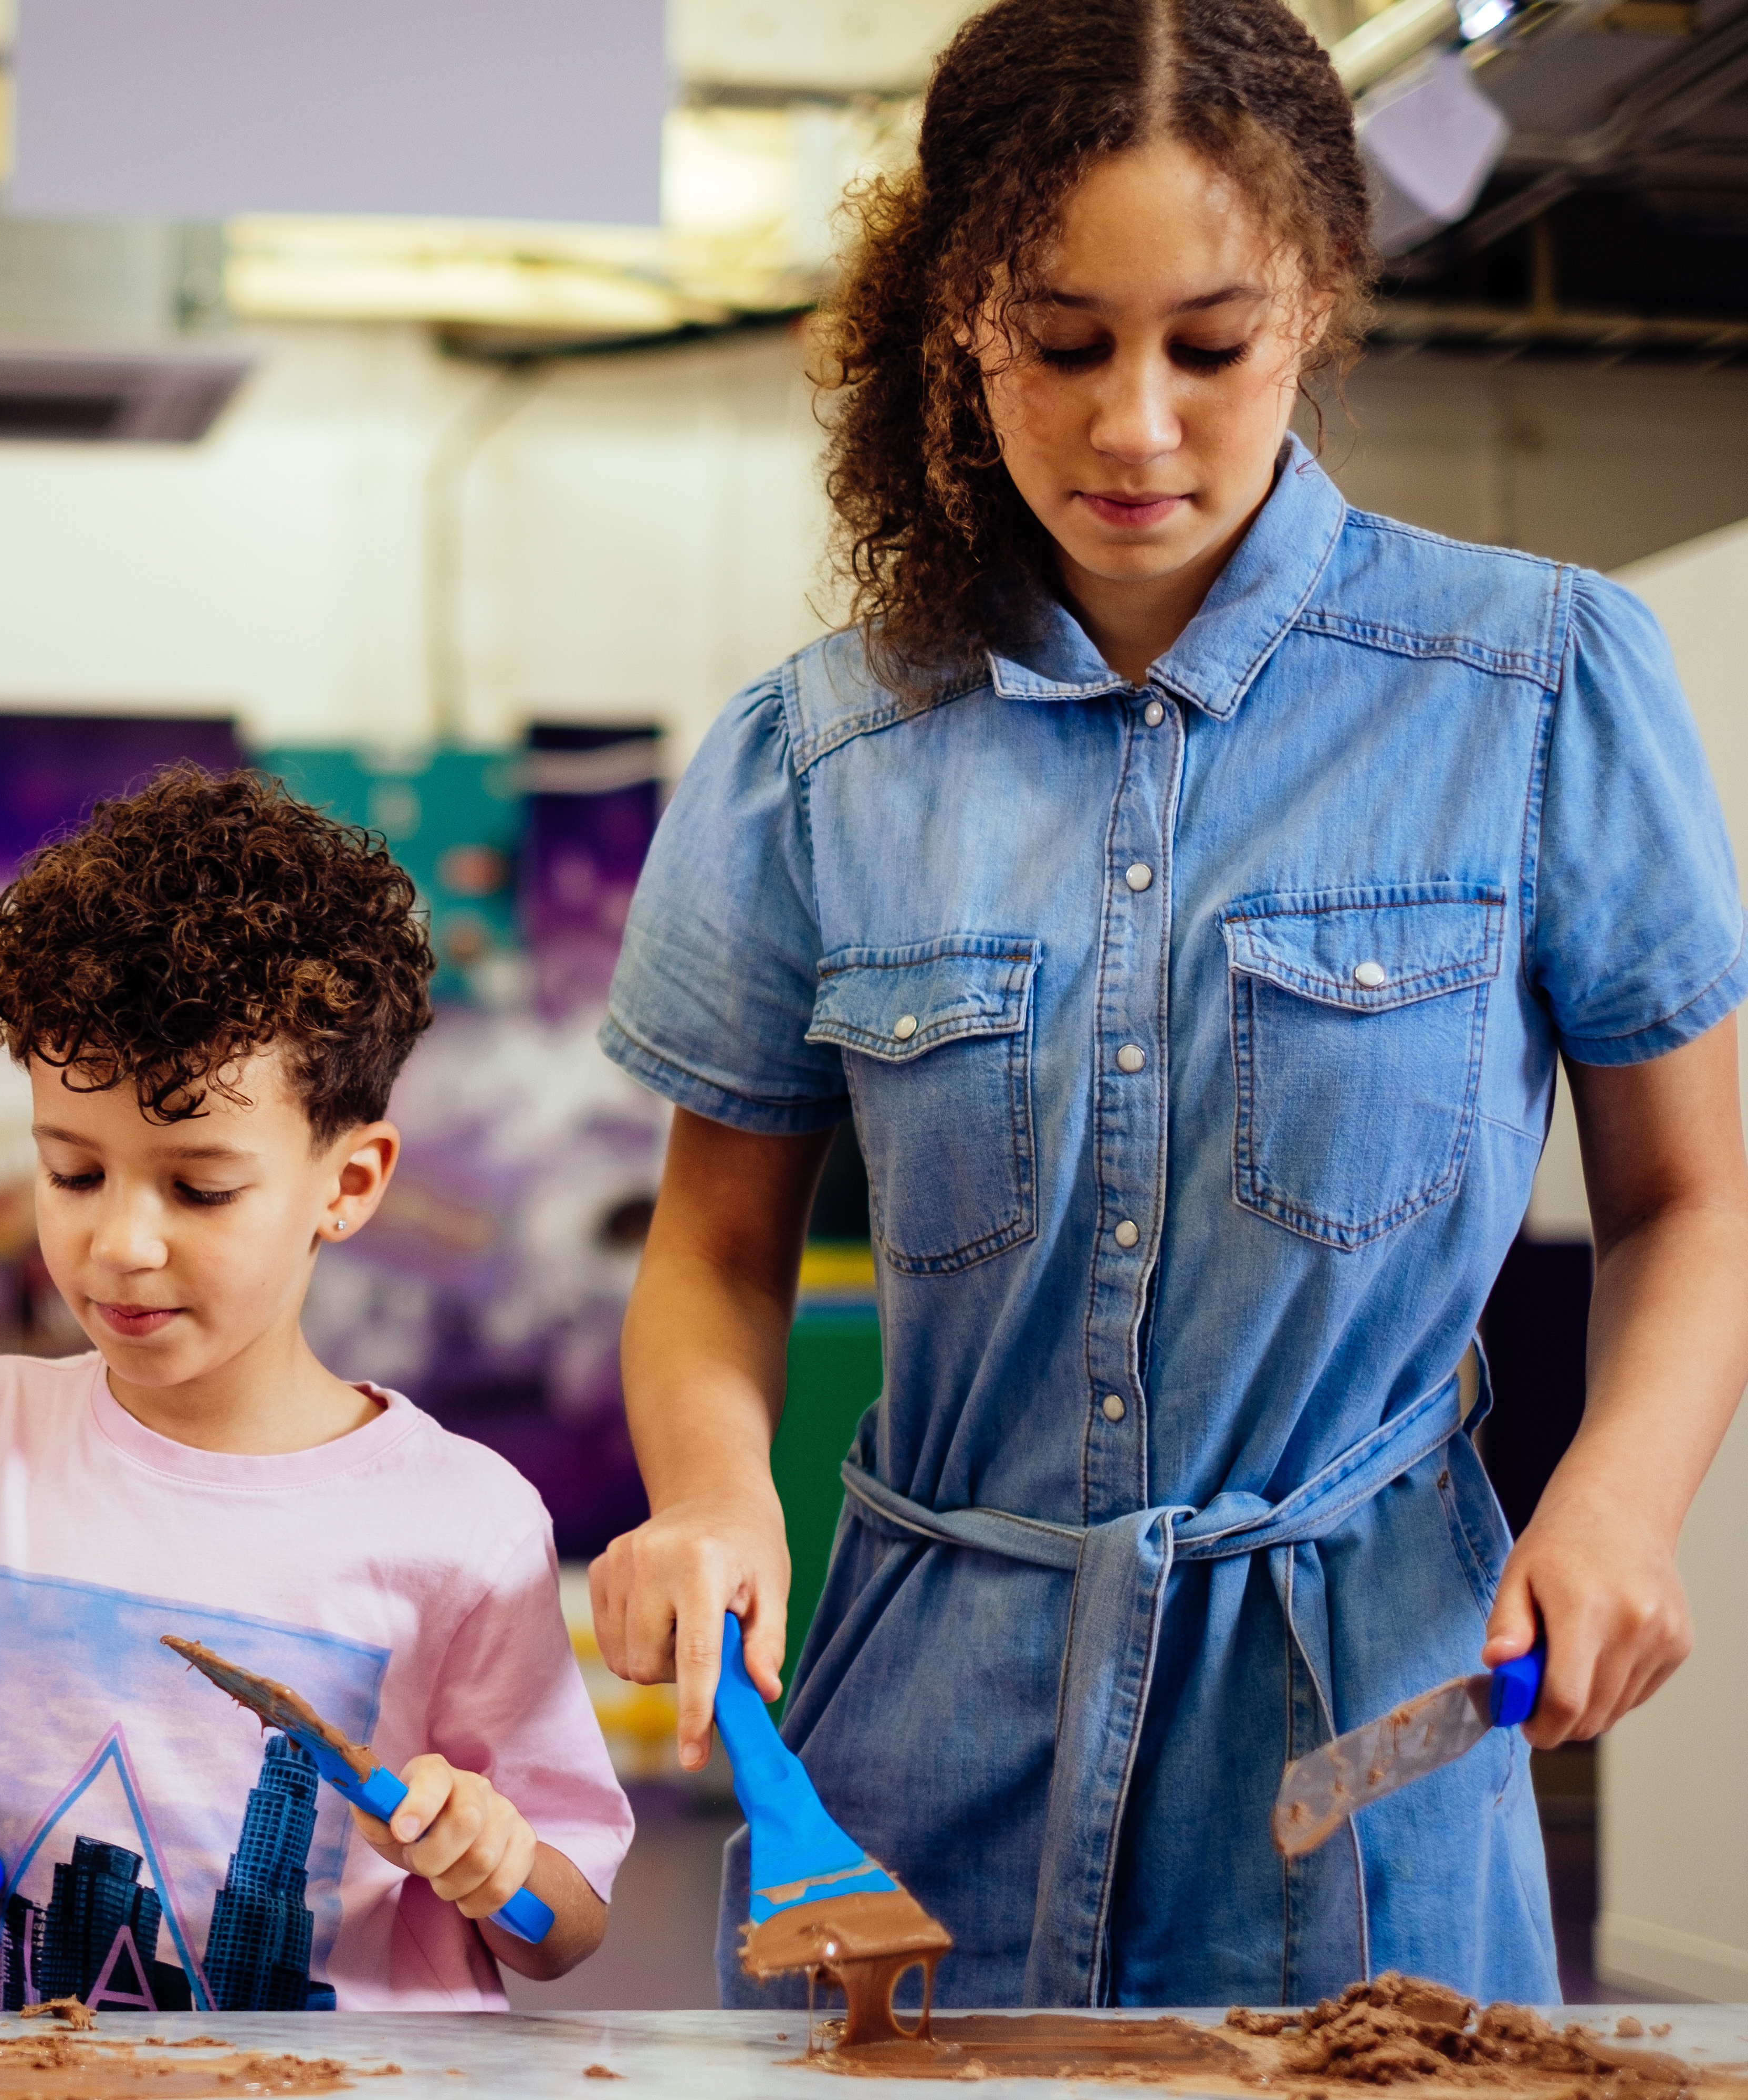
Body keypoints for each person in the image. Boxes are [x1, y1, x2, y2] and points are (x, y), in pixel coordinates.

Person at [587, 0, 1748, 2014]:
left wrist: (1623, 1505)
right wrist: (705, 1499)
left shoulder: (1543, 685)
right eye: (1063, 343)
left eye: (1210, 346)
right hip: (916, 1745)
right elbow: (712, 1247)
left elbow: (1692, 1201)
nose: (1137, 425)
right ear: (960, 317)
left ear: (1315, 301)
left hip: (1364, 1710)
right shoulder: (815, 757)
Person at [0, 766, 630, 2011]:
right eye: (74, 1172)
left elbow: (568, 1924)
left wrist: (498, 1862)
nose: (122, 1241)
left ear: (348, 1183)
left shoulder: (465, 1522)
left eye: (200, 1187)